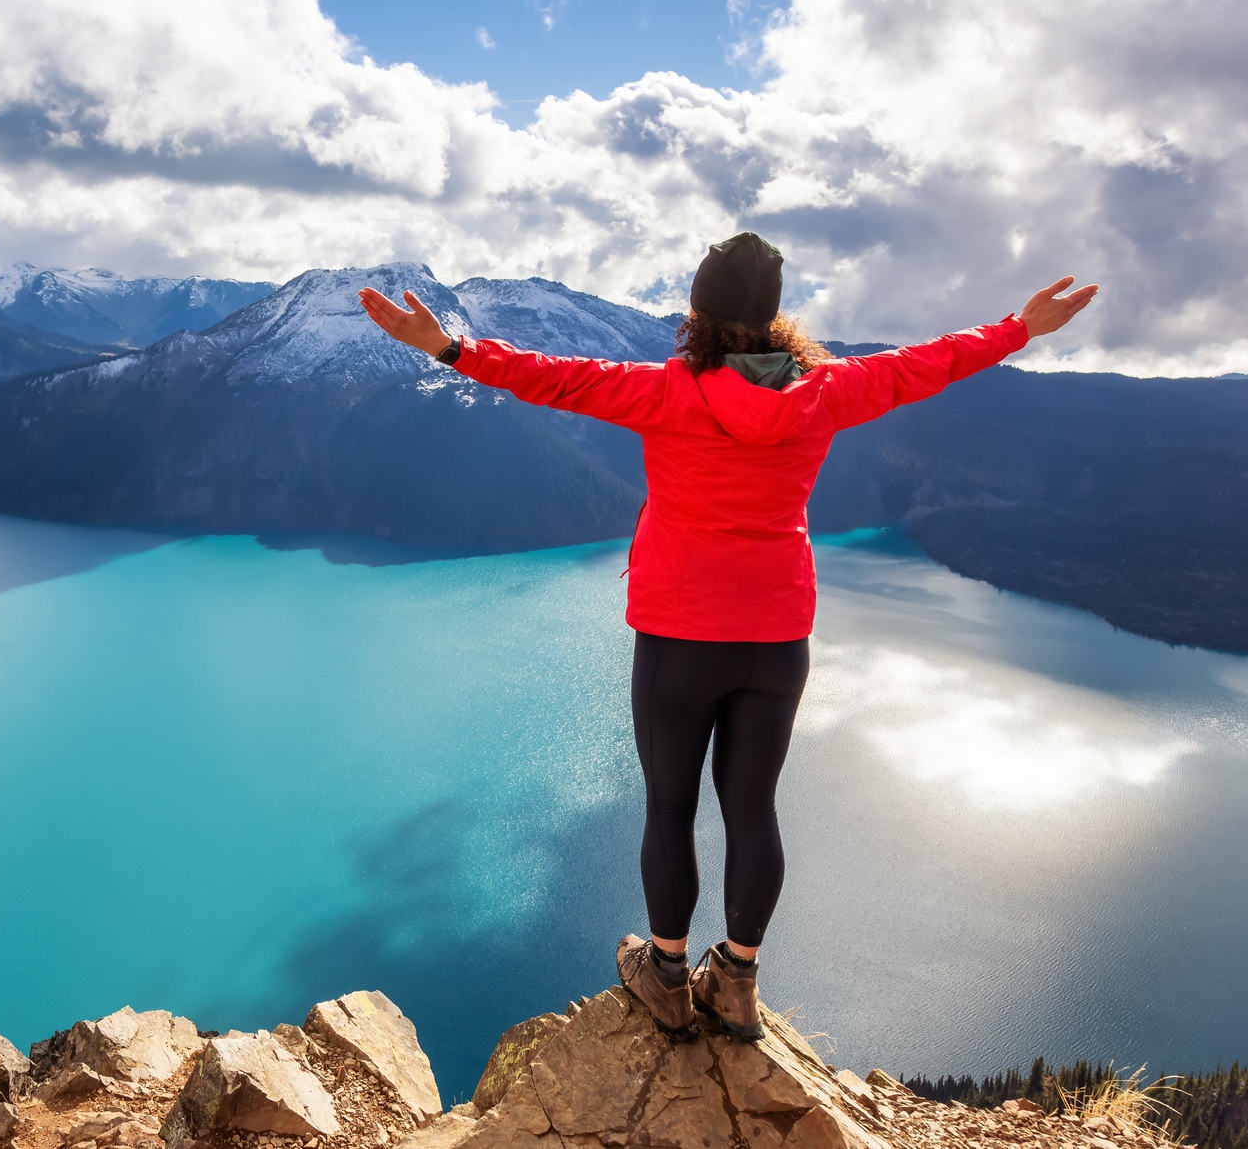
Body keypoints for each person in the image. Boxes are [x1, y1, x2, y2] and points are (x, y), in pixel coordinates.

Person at [358, 233, 1097, 1043]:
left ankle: (667, 977)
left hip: (681, 634)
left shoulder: (665, 393)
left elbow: (551, 379)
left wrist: (451, 349)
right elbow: (929, 361)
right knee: (753, 810)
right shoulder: (832, 390)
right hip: (778, 637)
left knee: (670, 807)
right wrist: (1018, 328)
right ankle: (736, 981)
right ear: (775, 320)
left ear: (698, 317)